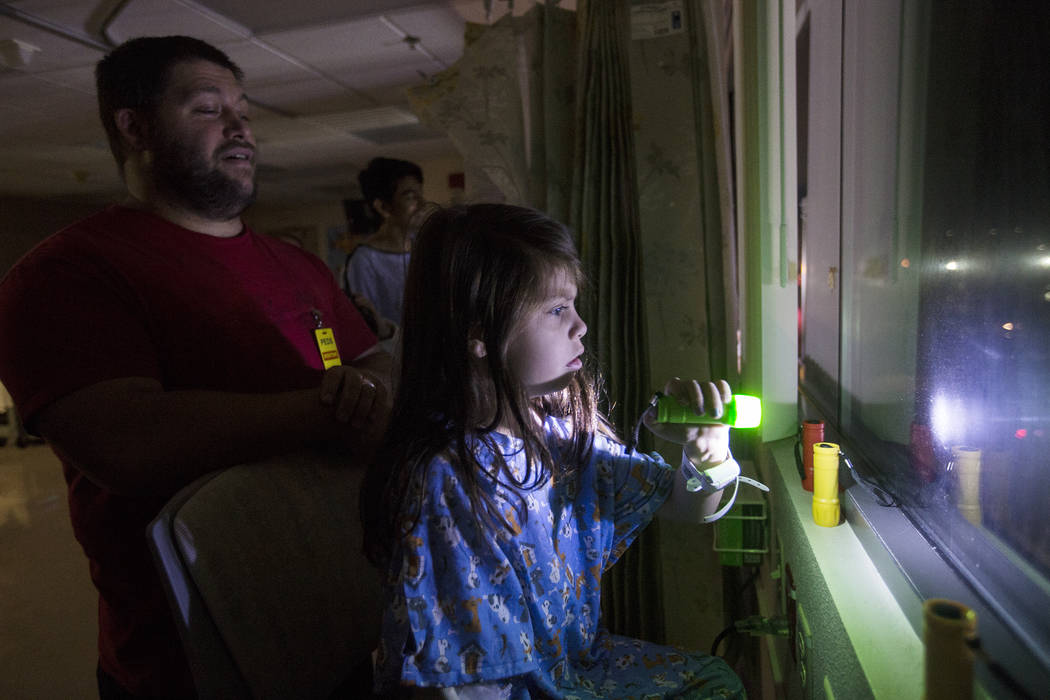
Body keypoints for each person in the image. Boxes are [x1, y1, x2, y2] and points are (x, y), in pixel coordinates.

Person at [0, 36, 391, 699]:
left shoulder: (296, 265)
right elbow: (126, 439)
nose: (240, 127)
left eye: (243, 108)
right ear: (134, 126)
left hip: (336, 618)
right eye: (209, 107)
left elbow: (371, 360)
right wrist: (332, 411)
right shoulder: (67, 273)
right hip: (187, 661)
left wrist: (376, 393)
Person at [360, 204, 745, 699]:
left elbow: (690, 506)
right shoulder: (447, 479)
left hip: (572, 671)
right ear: (477, 331)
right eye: (557, 309)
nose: (581, 326)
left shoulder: (559, 436)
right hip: (511, 690)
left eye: (575, 306)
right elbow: (456, 683)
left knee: (717, 682)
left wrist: (709, 455)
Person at [343, 157, 425, 326]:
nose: (422, 204)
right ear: (383, 207)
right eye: (410, 197)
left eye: (421, 195)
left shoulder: (424, 248)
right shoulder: (364, 260)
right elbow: (369, 324)